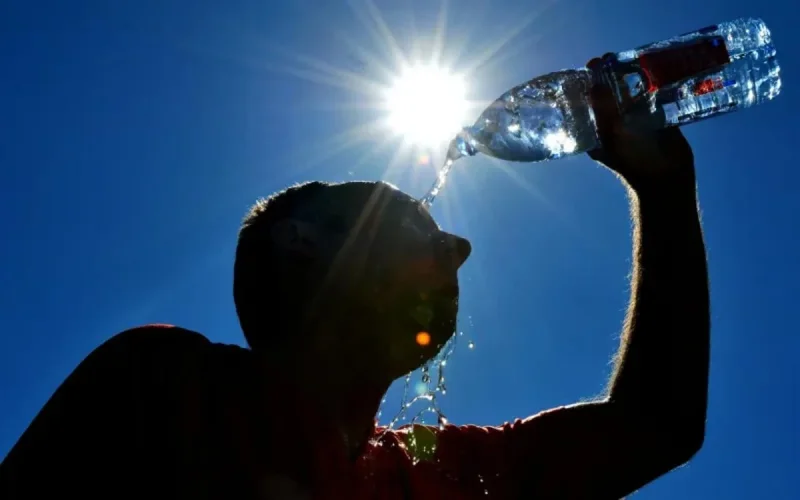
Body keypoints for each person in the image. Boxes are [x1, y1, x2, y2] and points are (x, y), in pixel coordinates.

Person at [0, 58, 710, 499]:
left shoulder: (445, 472)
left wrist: (667, 192)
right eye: (413, 225)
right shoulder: (165, 390)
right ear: (302, 246)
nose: (460, 249)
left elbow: (656, 427)